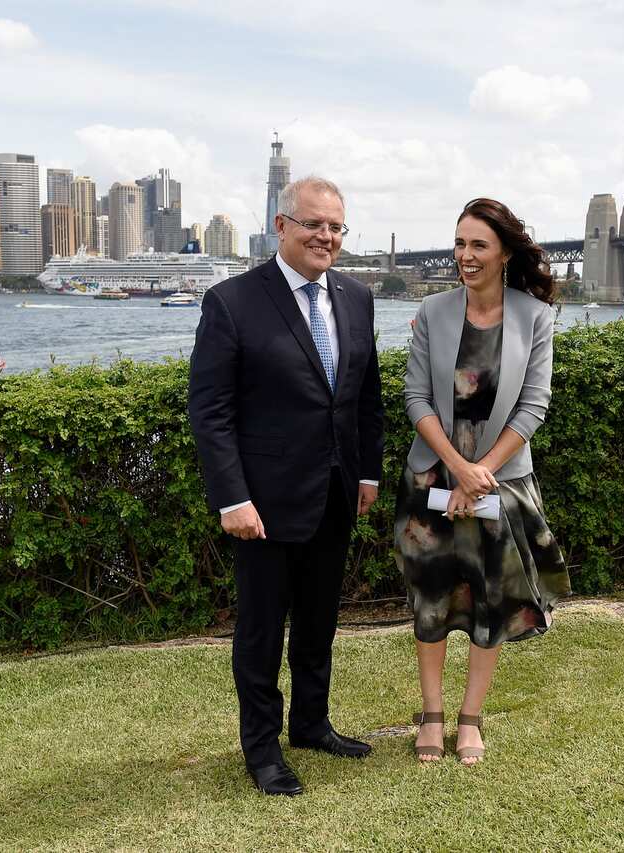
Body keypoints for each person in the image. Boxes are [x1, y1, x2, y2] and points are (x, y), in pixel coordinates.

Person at [188, 176, 384, 796]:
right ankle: (263, 749)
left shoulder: (356, 298)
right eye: (313, 224)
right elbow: (210, 411)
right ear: (281, 226)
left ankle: (311, 723)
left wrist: (369, 470)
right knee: (261, 630)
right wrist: (231, 497)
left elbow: (365, 396)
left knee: (321, 620)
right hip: (263, 503)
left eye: (335, 227)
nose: (325, 236)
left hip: (334, 491)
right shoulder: (232, 302)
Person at [394, 197, 571, 765]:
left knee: (489, 601)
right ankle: (432, 714)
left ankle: (469, 718)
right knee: (432, 600)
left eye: (479, 245)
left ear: (504, 253)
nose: (465, 256)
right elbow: (416, 397)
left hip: (499, 482)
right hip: (433, 478)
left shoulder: (535, 318)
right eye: (459, 243)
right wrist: (458, 468)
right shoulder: (433, 312)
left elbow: (534, 406)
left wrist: (482, 473)